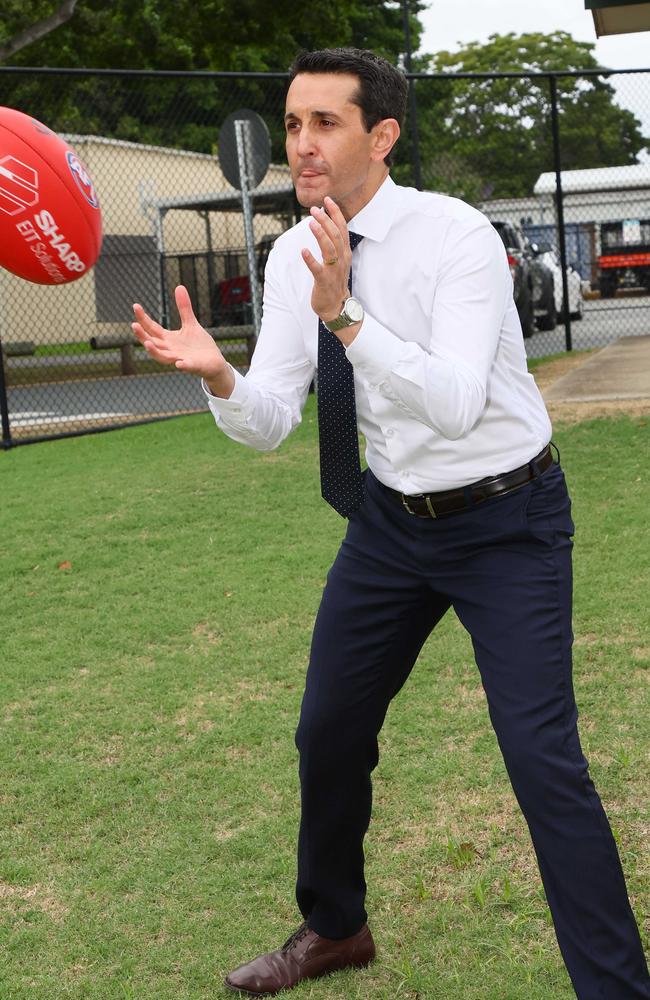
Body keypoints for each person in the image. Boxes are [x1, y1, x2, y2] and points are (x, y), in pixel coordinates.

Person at [132, 47, 650, 1000]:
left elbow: (455, 404)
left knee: (543, 762)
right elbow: (273, 419)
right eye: (292, 125)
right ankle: (336, 926)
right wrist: (220, 377)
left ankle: (616, 988)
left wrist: (349, 319)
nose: (303, 145)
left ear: (382, 135)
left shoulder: (457, 236)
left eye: (324, 123)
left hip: (508, 519)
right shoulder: (291, 254)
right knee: (327, 729)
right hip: (390, 523)